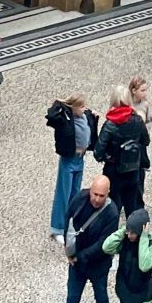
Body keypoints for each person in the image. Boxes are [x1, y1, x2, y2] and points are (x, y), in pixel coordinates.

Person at [49, 173, 118, 303]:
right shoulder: (80, 198)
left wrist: (78, 257)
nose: (96, 199)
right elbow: (68, 222)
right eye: (94, 194)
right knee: (71, 301)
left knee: (101, 296)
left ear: (108, 195)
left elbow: (102, 244)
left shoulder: (111, 213)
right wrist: (69, 250)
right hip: (77, 263)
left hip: (98, 264)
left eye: (101, 196)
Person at [94, 84, 149, 217]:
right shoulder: (137, 120)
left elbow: (98, 152)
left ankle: (112, 234)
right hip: (133, 169)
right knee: (132, 206)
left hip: (113, 171)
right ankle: (132, 235)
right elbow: (145, 141)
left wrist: (108, 157)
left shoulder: (110, 124)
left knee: (113, 208)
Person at [48, 93, 98, 240]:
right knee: (63, 193)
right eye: (81, 106)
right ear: (73, 107)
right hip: (69, 160)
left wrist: (93, 116)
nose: (84, 109)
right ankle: (57, 228)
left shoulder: (84, 117)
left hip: (80, 159)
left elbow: (89, 124)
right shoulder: (65, 119)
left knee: (75, 193)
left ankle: (71, 222)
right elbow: (53, 115)